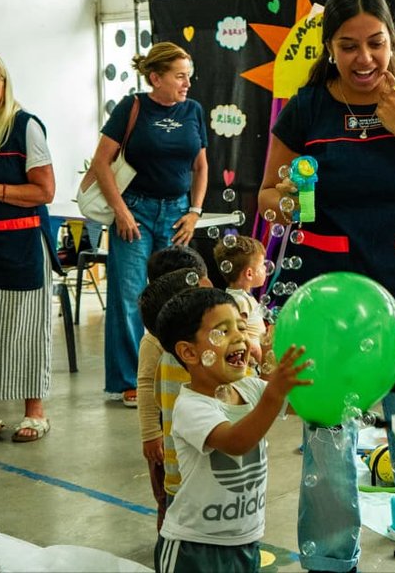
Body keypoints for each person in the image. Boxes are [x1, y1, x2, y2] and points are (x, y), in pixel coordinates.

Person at [257, 0, 395, 572]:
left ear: (392, 41)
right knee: (328, 443)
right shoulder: (306, 110)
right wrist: (288, 197)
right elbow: (268, 197)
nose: (364, 58)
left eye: (376, 43)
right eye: (348, 46)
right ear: (330, 48)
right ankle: (330, 560)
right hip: (328, 313)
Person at [153, 287, 310, 572]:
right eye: (223, 331)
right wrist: (274, 393)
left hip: (246, 541)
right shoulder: (191, 407)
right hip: (194, 548)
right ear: (189, 352)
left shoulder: (249, 387)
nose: (239, 337)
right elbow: (236, 442)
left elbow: (302, 404)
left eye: (241, 327)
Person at [89, 41, 208, 407]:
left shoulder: (193, 110)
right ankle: (130, 381)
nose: (187, 83)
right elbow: (101, 163)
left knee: (177, 295)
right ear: (156, 78)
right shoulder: (132, 107)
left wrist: (195, 211)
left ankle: (174, 373)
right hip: (135, 213)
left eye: (189, 76)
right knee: (129, 296)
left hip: (177, 214)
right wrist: (121, 211)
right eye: (179, 76)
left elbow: (200, 166)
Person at [0, 53, 55, 442]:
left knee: (28, 328)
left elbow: (44, 191)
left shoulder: (25, 126)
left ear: (4, 82)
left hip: (22, 242)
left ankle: (35, 413)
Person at [137, 266, 211, 530]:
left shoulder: (205, 348)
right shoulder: (159, 347)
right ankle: (167, 542)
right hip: (169, 449)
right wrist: (150, 434)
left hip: (198, 451)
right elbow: (146, 387)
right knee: (168, 505)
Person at [213, 235, 267, 371]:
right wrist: (260, 356)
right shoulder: (240, 301)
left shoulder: (238, 297)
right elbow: (238, 334)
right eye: (262, 265)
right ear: (249, 273)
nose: (266, 269)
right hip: (249, 365)